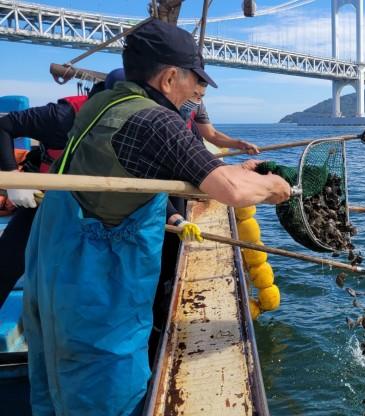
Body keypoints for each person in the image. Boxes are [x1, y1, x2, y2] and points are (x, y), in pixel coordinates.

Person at [21, 19, 291, 416]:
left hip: (51, 262)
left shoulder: (104, 102)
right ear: (168, 78)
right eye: (196, 82)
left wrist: (238, 173)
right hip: (99, 288)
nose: (199, 93)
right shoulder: (156, 121)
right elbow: (231, 193)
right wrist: (274, 189)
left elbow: (162, 169)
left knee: (50, 381)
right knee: (103, 391)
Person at [0, 70, 125, 306]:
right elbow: (3, 126)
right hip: (45, 200)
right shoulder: (61, 116)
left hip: (95, 208)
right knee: (8, 261)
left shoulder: (134, 123)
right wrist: (12, 178)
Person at [180, 81, 260, 154]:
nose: (197, 99)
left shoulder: (198, 105)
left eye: (201, 96)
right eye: (194, 94)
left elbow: (212, 135)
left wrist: (240, 144)